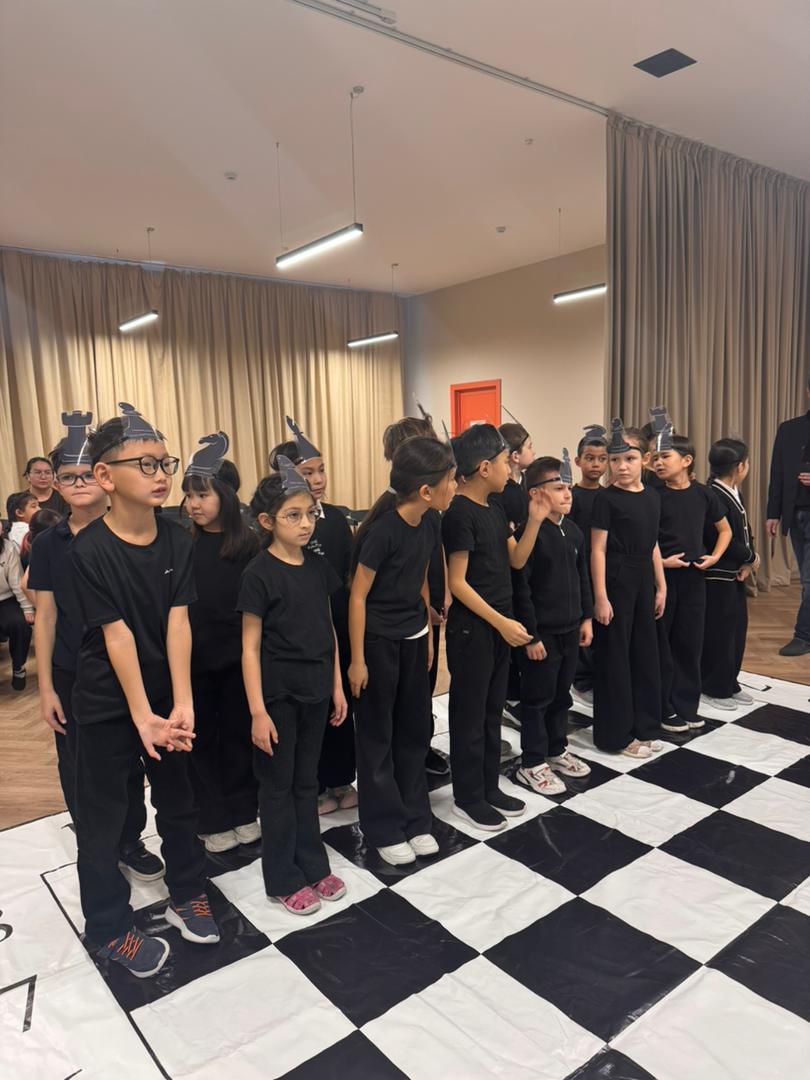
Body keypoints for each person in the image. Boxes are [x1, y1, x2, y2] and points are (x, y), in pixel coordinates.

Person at [70, 402, 218, 979]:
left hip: (164, 699)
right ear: (105, 476)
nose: (161, 475)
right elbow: (118, 635)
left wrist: (181, 702)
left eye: (165, 463)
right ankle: (108, 928)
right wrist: (141, 715)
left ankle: (188, 892)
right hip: (108, 702)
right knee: (104, 820)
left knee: (180, 802)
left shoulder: (179, 539)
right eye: (146, 464)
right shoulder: (88, 549)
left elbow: (179, 621)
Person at [29, 410, 161, 882]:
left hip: (130, 667)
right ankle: (97, 846)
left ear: (104, 477)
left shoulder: (133, 533)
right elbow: (45, 616)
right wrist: (47, 687)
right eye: (67, 476)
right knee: (78, 766)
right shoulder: (50, 543)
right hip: (73, 670)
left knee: (128, 762)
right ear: (56, 484)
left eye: (86, 474)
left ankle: (130, 840)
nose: (78, 483)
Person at [239, 459, 348, 916]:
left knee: (307, 782)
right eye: (293, 516)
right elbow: (249, 648)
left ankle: (313, 864)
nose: (305, 524)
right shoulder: (258, 573)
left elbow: (328, 628)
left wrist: (336, 686)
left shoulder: (317, 566)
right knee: (278, 787)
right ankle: (282, 876)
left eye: (309, 514)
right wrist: (258, 711)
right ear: (267, 522)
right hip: (278, 697)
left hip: (316, 690)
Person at [349, 436, 456, 865]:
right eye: (450, 480)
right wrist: (358, 659)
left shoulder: (430, 521)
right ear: (426, 490)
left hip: (414, 638)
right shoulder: (382, 532)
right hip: (377, 644)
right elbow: (358, 596)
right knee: (378, 738)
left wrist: (428, 636)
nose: (454, 486)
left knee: (414, 733)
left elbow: (422, 580)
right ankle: (383, 827)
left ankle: (416, 819)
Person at [441, 423, 543, 831]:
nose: (508, 468)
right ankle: (468, 796)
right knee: (469, 715)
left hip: (500, 626)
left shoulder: (496, 507)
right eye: (503, 461)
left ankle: (488, 786)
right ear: (484, 468)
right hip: (474, 629)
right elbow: (457, 582)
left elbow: (516, 560)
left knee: (490, 712)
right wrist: (501, 623)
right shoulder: (459, 513)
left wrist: (535, 520)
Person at [181, 433, 261, 853]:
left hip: (238, 660)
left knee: (238, 735)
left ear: (226, 497)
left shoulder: (249, 544)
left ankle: (244, 810)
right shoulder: (180, 544)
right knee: (202, 740)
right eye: (189, 495)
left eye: (203, 495)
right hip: (193, 662)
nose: (193, 504)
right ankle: (211, 817)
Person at [280, 416, 358, 815]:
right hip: (299, 636)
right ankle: (314, 785)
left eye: (321, 470)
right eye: (307, 472)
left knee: (340, 707)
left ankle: (342, 778)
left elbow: (348, 577)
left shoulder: (337, 520)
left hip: (338, 629)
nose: (317, 479)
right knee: (310, 713)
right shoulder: (279, 526)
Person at [513, 452, 593, 796]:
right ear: (536, 493)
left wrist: (586, 617)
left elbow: (583, 576)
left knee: (562, 695)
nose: (567, 494)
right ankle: (531, 762)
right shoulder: (528, 534)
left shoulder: (573, 531)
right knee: (538, 699)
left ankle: (556, 749)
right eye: (559, 487)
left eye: (569, 487)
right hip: (541, 634)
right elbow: (521, 588)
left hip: (570, 629)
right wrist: (531, 636)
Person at [591, 420, 667, 759]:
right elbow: (597, 549)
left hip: (643, 580)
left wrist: (661, 584)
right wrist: (601, 597)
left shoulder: (653, 496)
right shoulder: (606, 500)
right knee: (615, 658)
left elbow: (653, 544)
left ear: (646, 460)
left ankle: (645, 725)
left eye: (630, 459)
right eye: (615, 460)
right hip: (616, 580)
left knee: (644, 653)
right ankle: (616, 735)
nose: (621, 467)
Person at [382, 407, 451, 778]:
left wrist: (445, 593)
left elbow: (435, 550)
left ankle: (421, 743)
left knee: (426, 676)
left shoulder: (432, 504)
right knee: (405, 685)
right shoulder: (391, 510)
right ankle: (406, 751)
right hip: (404, 610)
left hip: (431, 598)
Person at [652, 426, 731, 732]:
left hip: (695, 580)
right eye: (656, 458)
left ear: (686, 461)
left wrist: (715, 557)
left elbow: (725, 530)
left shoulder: (704, 494)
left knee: (689, 644)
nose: (658, 462)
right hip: (662, 580)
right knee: (662, 645)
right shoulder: (653, 496)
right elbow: (644, 541)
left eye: (665, 457)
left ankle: (686, 705)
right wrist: (662, 563)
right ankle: (663, 707)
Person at [701, 438, 759, 709]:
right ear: (739, 466)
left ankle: (730, 681)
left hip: (736, 574)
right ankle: (714, 687)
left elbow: (745, 531)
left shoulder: (734, 492)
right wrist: (751, 557)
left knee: (736, 631)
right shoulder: (712, 494)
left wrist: (748, 563)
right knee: (719, 633)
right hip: (718, 576)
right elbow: (721, 538)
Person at [766, 379, 810, 656]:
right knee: (807, 577)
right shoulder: (789, 429)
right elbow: (777, 472)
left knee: (808, 581)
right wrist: (773, 513)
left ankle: (803, 635)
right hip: (795, 515)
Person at [569, 424, 609, 708]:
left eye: (602, 459)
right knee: (583, 622)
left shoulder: (610, 496)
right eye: (590, 458)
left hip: (604, 569)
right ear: (578, 460)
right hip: (576, 569)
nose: (596, 464)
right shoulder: (571, 497)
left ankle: (599, 675)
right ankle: (581, 680)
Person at [0, 528, 34, 690]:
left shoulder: (8, 548)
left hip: (5, 599)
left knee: (20, 624)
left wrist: (27, 608)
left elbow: (17, 581)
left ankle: (18, 666)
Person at [496, 421, 534, 530]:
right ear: (516, 456)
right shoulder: (500, 490)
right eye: (530, 447)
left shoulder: (531, 481)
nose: (533, 452)